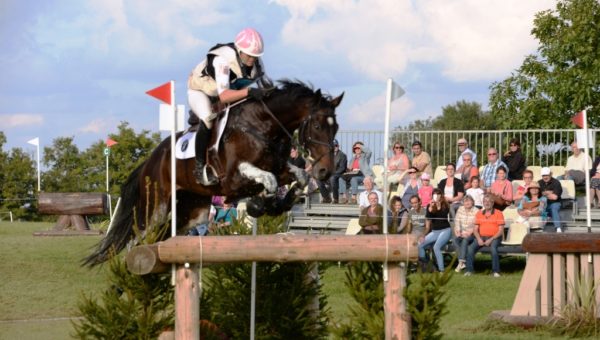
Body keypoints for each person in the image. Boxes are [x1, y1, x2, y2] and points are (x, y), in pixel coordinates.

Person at [187, 28, 268, 185]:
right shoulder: (222, 61)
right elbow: (224, 96)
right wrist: (250, 92)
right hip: (202, 92)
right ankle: (199, 168)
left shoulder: (257, 62)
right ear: (239, 50)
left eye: (255, 56)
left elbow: (264, 85)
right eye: (249, 55)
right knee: (207, 119)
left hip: (229, 94)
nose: (252, 59)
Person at [465, 194, 505, 277]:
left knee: (493, 248)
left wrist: (491, 239)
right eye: (485, 201)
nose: (487, 203)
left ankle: (496, 271)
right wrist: (479, 239)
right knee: (470, 248)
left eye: (489, 201)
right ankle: (469, 270)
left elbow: (500, 231)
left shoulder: (499, 213)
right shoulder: (479, 213)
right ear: (483, 203)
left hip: (495, 237)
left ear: (492, 203)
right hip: (481, 236)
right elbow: (475, 229)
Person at [418, 188, 452, 272]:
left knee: (436, 247)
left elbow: (443, 216)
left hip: (445, 230)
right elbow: (428, 220)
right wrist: (430, 208)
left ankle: (441, 270)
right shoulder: (430, 205)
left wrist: (438, 206)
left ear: (441, 195)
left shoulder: (445, 204)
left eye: (438, 194)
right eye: (435, 194)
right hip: (435, 231)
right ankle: (426, 265)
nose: (437, 196)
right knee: (420, 245)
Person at [453, 195, 479, 273]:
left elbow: (476, 225)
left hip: (472, 233)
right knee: (455, 240)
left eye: (469, 201)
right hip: (461, 232)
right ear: (463, 203)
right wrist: (457, 231)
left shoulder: (476, 211)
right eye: (465, 201)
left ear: (472, 202)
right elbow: (457, 221)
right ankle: (462, 262)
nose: (467, 203)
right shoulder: (460, 209)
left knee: (465, 240)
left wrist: (469, 232)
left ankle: (461, 262)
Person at [317, 139, 347, 204]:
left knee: (332, 178)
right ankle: (326, 198)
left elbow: (342, 168)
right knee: (318, 179)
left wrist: (333, 173)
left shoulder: (342, 155)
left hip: (339, 174)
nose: (335, 147)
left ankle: (336, 199)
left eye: (336, 145)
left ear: (338, 146)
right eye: (333, 146)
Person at [538, 167, 563, 232]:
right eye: (543, 175)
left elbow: (555, 197)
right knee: (542, 207)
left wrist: (544, 193)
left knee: (554, 208)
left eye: (547, 175)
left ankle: (558, 228)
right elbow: (537, 195)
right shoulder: (539, 182)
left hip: (554, 203)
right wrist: (549, 192)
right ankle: (542, 226)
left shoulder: (556, 182)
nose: (545, 177)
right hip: (544, 204)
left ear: (550, 174)